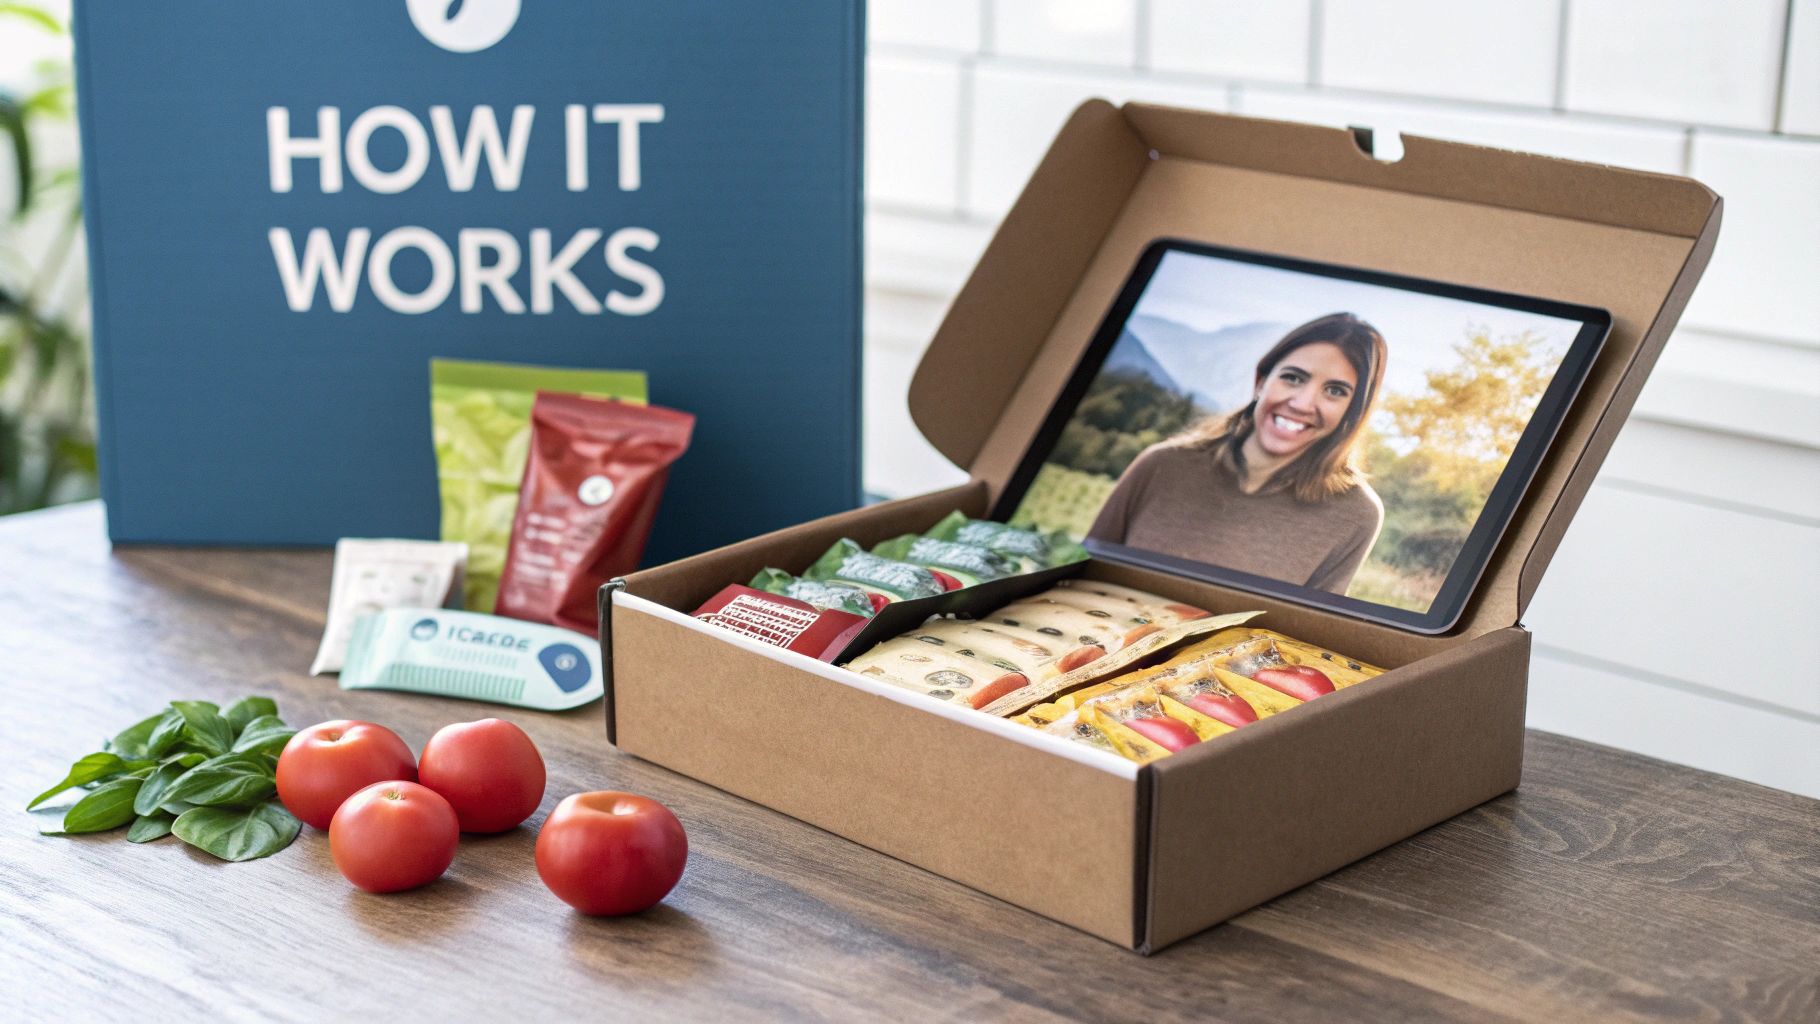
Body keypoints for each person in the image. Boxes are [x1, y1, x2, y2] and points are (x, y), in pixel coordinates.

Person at [1087, 312, 1388, 594]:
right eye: (1293, 378)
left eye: (1335, 391)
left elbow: (1308, 638)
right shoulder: (1161, 464)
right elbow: (1082, 581)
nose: (1302, 403)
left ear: (1353, 411)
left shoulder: (1356, 516)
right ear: (1261, 382)